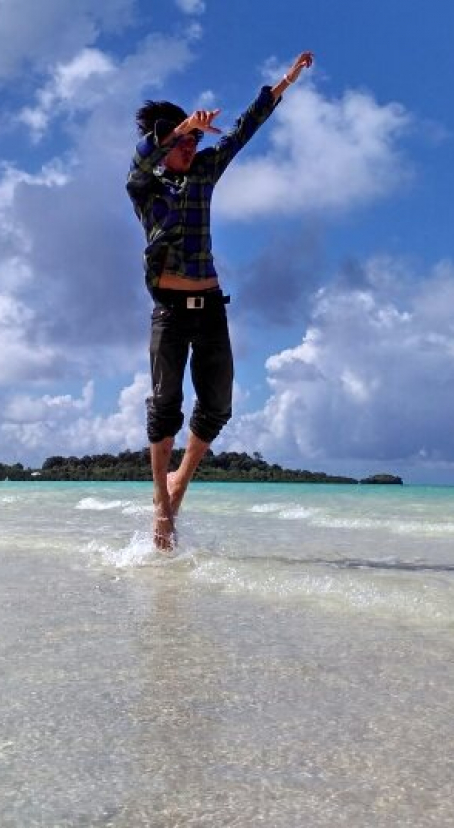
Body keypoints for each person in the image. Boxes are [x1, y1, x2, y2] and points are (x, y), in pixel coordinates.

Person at [126, 51, 314, 550]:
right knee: (164, 408)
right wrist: (177, 127)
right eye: (182, 141)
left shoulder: (205, 172)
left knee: (218, 406)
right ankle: (161, 509)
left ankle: (181, 480)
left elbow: (241, 133)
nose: (190, 147)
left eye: (192, 140)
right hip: (168, 311)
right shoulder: (144, 187)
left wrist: (283, 84)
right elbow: (140, 161)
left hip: (209, 307)